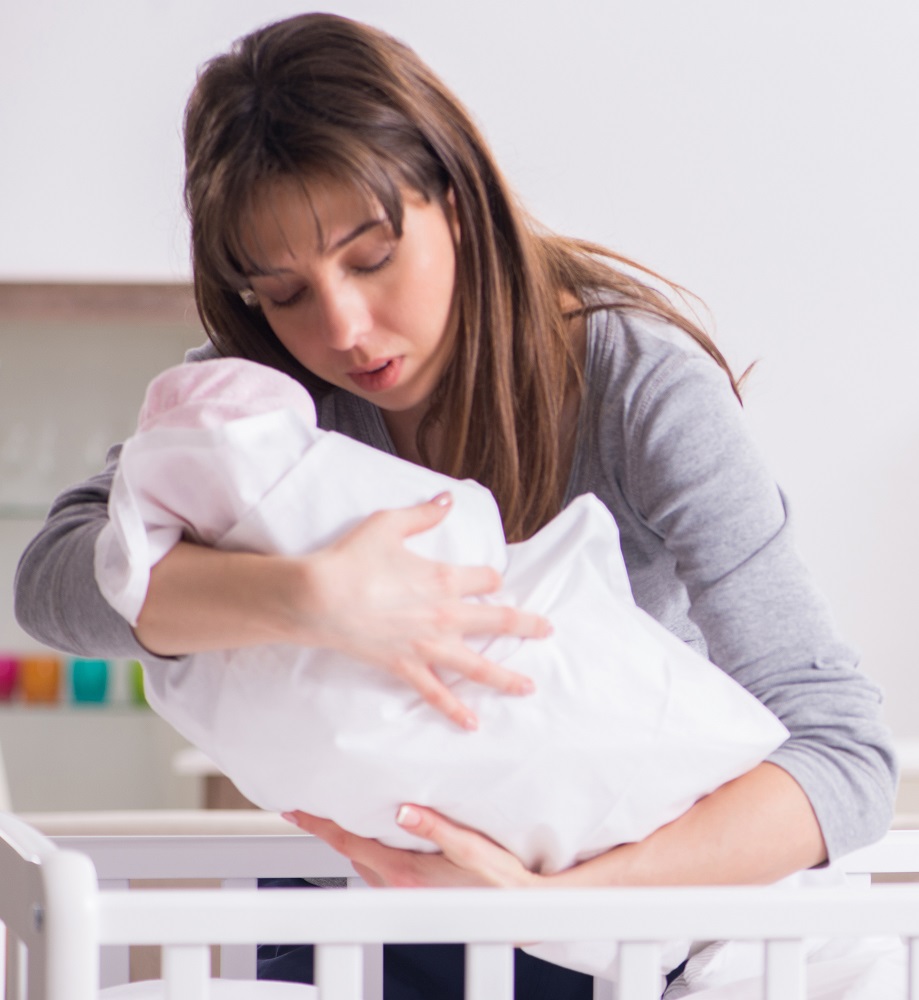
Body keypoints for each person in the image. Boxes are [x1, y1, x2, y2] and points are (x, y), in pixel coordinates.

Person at [14, 11, 896, 1000]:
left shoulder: (638, 388)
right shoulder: (266, 399)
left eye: (371, 256)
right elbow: (52, 580)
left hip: (608, 915)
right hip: (367, 900)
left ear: (458, 198)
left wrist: (549, 904)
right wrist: (311, 598)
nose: (343, 327)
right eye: (286, 291)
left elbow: (848, 753)